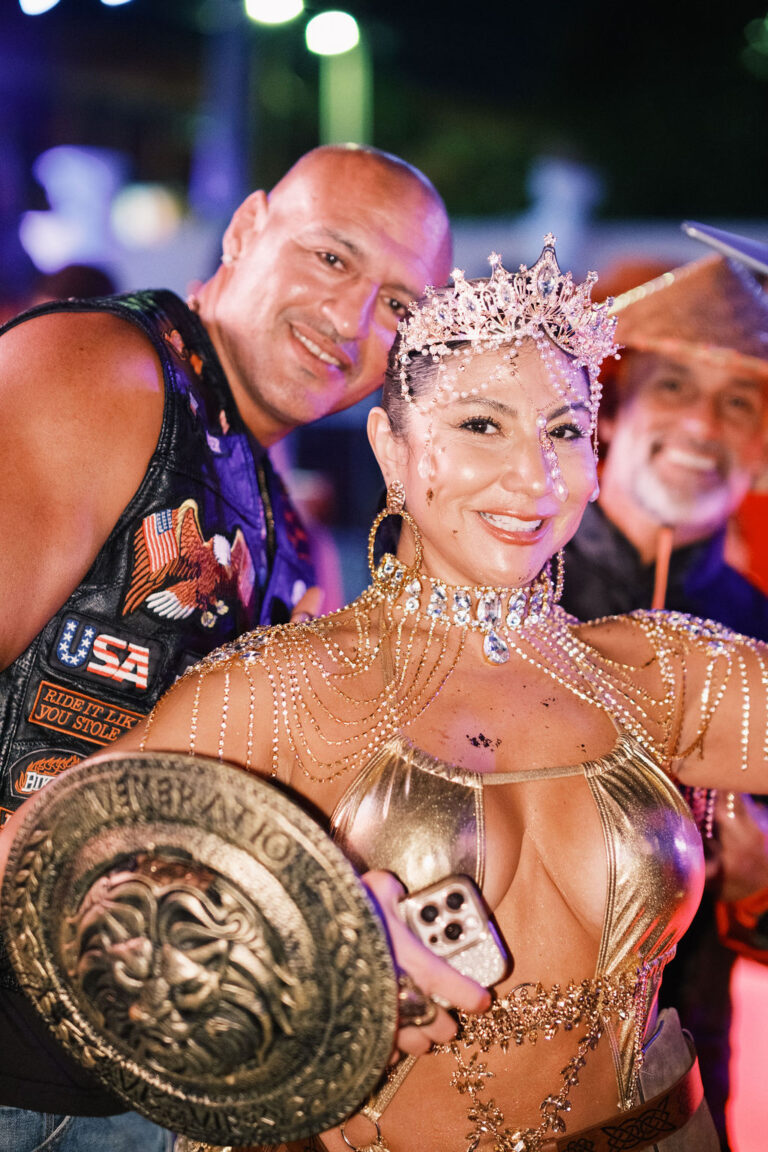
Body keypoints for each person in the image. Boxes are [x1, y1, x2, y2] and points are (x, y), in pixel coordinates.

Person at [61, 236, 768, 1151]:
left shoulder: (664, 673)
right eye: (482, 425)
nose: (535, 477)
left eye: (564, 432)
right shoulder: (282, 687)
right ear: (393, 449)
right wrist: (297, 941)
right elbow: (46, 868)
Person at [0, 143, 452, 1152]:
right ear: (247, 229)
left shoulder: (288, 530)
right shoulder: (104, 370)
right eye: (332, 258)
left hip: (140, 1081)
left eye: (397, 305)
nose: (352, 320)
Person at [560, 250, 768, 1149]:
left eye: (740, 403)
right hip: (488, 1056)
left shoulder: (761, 633)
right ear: (611, 408)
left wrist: (756, 887)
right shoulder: (507, 586)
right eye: (673, 384)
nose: (701, 423)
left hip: (683, 1074)